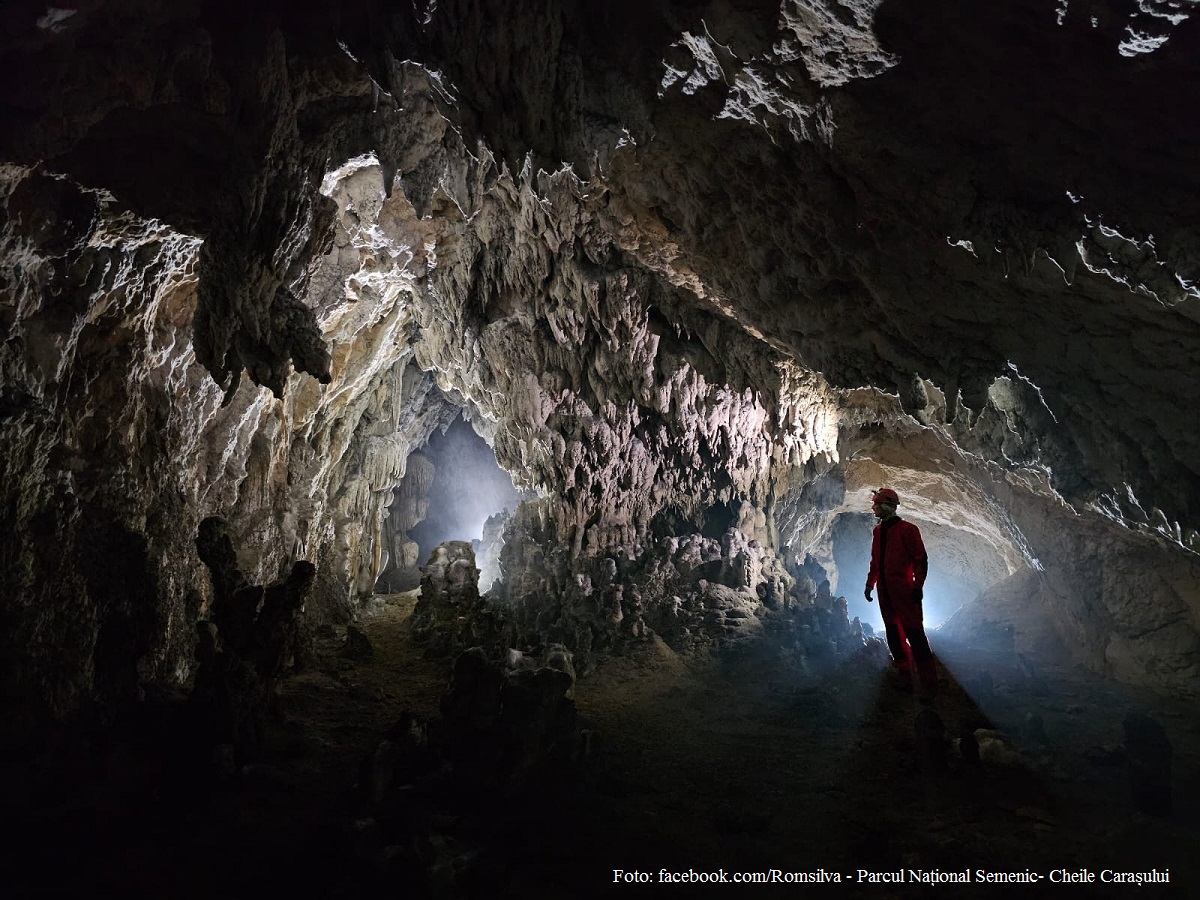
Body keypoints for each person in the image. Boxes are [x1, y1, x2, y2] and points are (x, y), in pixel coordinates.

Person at [864, 488, 937, 698]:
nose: (873, 507)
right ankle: (904, 675)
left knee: (915, 636)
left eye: (876, 504)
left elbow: (920, 559)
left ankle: (929, 684)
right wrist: (870, 584)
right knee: (894, 635)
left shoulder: (908, 530)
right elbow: (876, 562)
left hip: (904, 591)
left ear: (887, 505)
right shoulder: (878, 532)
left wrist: (917, 586)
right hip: (885, 592)